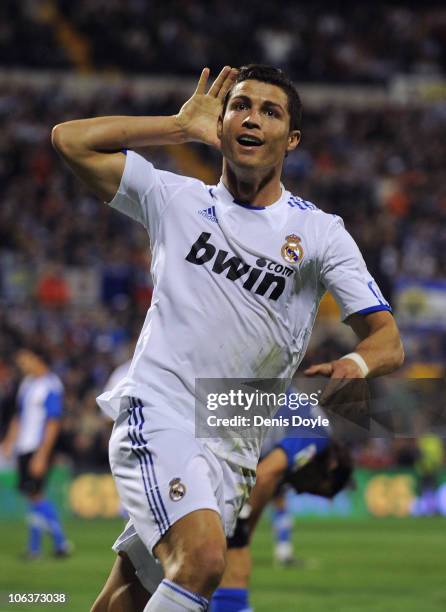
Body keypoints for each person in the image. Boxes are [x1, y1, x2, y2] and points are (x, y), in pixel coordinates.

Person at [52, 64, 404, 611]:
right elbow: (69, 140)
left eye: (270, 111)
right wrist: (176, 127)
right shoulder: (174, 199)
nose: (252, 118)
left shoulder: (319, 232)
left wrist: (355, 366)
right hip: (161, 409)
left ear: (291, 140)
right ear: (221, 123)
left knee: (129, 592)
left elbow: (387, 341)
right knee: (203, 562)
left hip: (234, 442)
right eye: (240, 105)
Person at [210, 436, 353, 611]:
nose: (301, 492)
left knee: (201, 569)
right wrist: (240, 524)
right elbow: (264, 475)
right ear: (331, 468)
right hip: (211, 458)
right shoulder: (315, 437)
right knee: (232, 570)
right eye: (314, 489)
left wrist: (245, 534)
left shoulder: (303, 428)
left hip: (215, 458)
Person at [0, 346, 70, 559]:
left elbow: (53, 422)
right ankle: (36, 548)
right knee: (32, 496)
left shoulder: (51, 385)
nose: (22, 363)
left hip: (38, 447)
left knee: (36, 495)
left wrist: (42, 454)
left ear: (38, 359)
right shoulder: (28, 384)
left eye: (26, 359)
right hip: (24, 446)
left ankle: (60, 542)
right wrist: (9, 441)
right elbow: (19, 416)